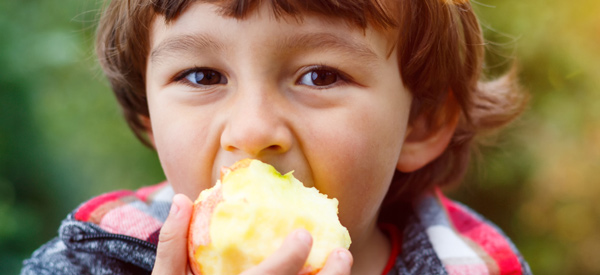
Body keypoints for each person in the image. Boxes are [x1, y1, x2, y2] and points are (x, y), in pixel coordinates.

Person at [21, 0, 532, 274]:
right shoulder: (86, 263)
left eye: (320, 76)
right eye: (202, 76)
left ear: (419, 122)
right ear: (150, 114)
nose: (252, 132)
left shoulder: (475, 266)